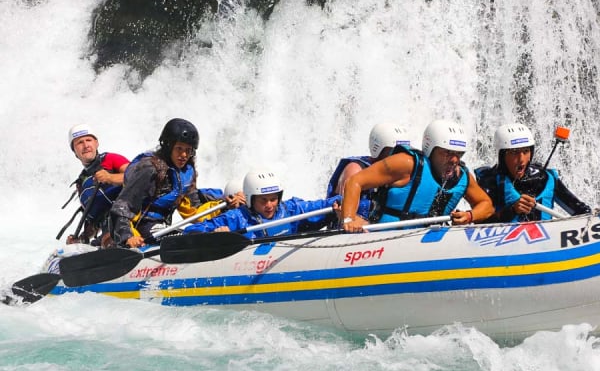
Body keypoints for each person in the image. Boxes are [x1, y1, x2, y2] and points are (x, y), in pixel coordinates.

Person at [341, 118, 493, 231]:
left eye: (459, 154)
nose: (454, 160)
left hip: (428, 243)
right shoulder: (406, 163)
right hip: (384, 239)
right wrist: (349, 219)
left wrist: (469, 216)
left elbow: (486, 205)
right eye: (447, 153)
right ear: (431, 149)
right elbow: (355, 181)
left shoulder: (462, 177)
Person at [109, 118, 228, 248]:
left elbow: (194, 210)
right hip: (139, 229)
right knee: (178, 238)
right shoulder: (149, 169)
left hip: (162, 227)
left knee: (195, 233)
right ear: (168, 146)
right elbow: (122, 206)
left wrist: (225, 206)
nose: (184, 155)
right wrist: (128, 237)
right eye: (179, 148)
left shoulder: (188, 172)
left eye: (188, 150)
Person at [475, 123, 591, 222]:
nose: (521, 159)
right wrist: (512, 211)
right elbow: (479, 223)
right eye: (514, 152)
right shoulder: (489, 181)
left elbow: (580, 211)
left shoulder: (545, 178)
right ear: (502, 156)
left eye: (526, 151)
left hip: (547, 244)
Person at [185, 169, 341, 239]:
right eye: (263, 200)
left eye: (273, 199)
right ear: (250, 199)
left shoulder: (290, 209)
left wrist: (340, 202)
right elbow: (191, 230)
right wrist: (213, 234)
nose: (269, 205)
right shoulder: (237, 218)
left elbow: (320, 205)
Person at [325, 122, 411, 221]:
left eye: (404, 152)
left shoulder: (402, 173)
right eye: (395, 152)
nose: (400, 158)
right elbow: (343, 215)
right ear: (378, 149)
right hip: (349, 232)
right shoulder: (355, 170)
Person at [66, 123, 130, 244]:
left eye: (89, 140)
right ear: (74, 151)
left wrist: (111, 177)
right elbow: (95, 220)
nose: (85, 145)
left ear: (96, 143)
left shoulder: (112, 159)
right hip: (108, 229)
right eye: (79, 142)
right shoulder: (82, 183)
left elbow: (139, 176)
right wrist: (81, 238)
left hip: (129, 218)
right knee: (101, 242)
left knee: (109, 239)